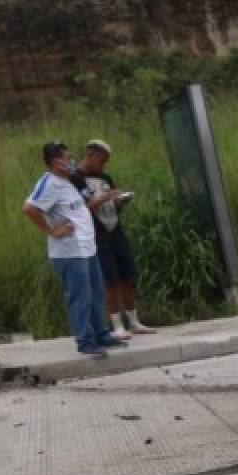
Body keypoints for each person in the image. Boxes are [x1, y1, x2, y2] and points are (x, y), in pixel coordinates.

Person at [22, 141, 125, 359]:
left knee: (96, 292)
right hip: (70, 251)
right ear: (56, 162)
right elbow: (29, 208)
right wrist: (51, 230)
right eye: (68, 159)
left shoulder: (69, 181)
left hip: (87, 247)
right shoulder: (48, 184)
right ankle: (85, 340)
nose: (72, 162)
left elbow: (81, 207)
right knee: (81, 297)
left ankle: (101, 333)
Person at [72, 139, 155, 337]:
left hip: (115, 229)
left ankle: (134, 320)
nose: (104, 166)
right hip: (96, 233)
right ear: (91, 155)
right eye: (101, 161)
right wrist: (103, 198)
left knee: (128, 274)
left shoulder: (105, 177)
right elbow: (81, 208)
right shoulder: (76, 178)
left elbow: (112, 204)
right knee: (110, 279)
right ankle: (116, 324)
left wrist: (120, 200)